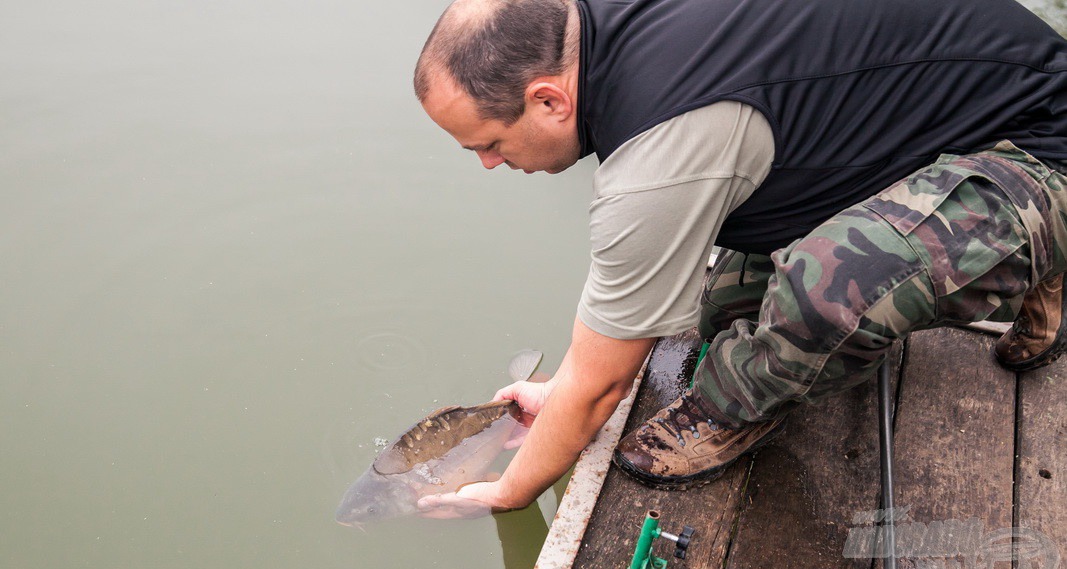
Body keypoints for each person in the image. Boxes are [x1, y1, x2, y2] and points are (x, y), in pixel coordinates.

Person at [412, 0, 1067, 516]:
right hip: (949, 117)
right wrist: (558, 392)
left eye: (490, 143)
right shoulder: (596, 28)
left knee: (826, 292)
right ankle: (1030, 255)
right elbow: (607, 342)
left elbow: (603, 386)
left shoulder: (657, 153)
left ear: (549, 99)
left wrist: (509, 492)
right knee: (723, 304)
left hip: (1041, 141)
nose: (489, 165)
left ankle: (729, 416)